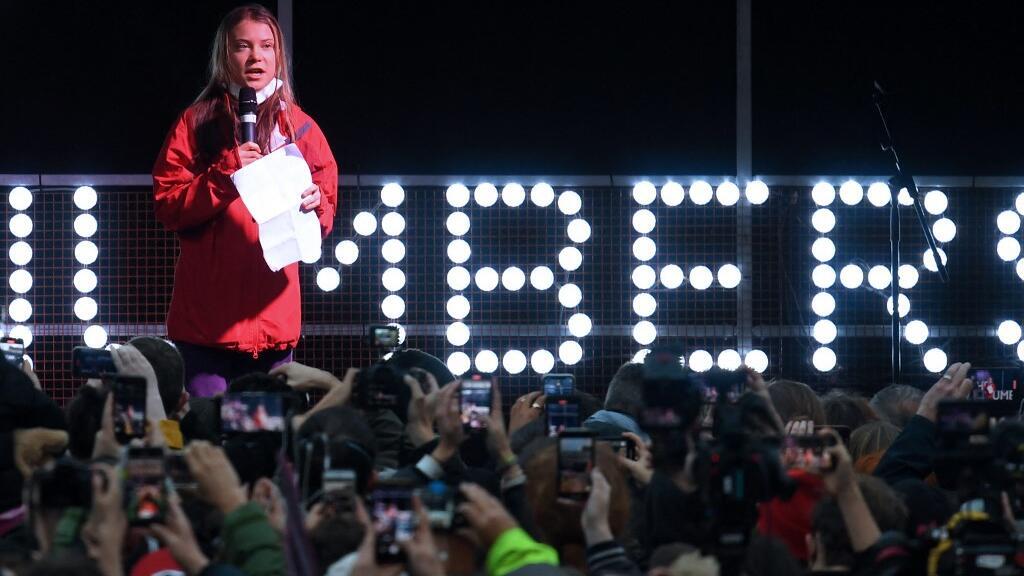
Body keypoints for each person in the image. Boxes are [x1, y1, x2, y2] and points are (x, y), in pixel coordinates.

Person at [152, 4, 338, 397]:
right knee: (208, 431)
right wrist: (227, 175)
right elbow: (168, 205)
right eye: (243, 46)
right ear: (225, 54)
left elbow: (325, 211)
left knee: (265, 434)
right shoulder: (195, 123)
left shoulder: (301, 128)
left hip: (273, 331)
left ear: (278, 55)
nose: (256, 57)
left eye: (266, 46)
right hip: (206, 332)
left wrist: (316, 204)